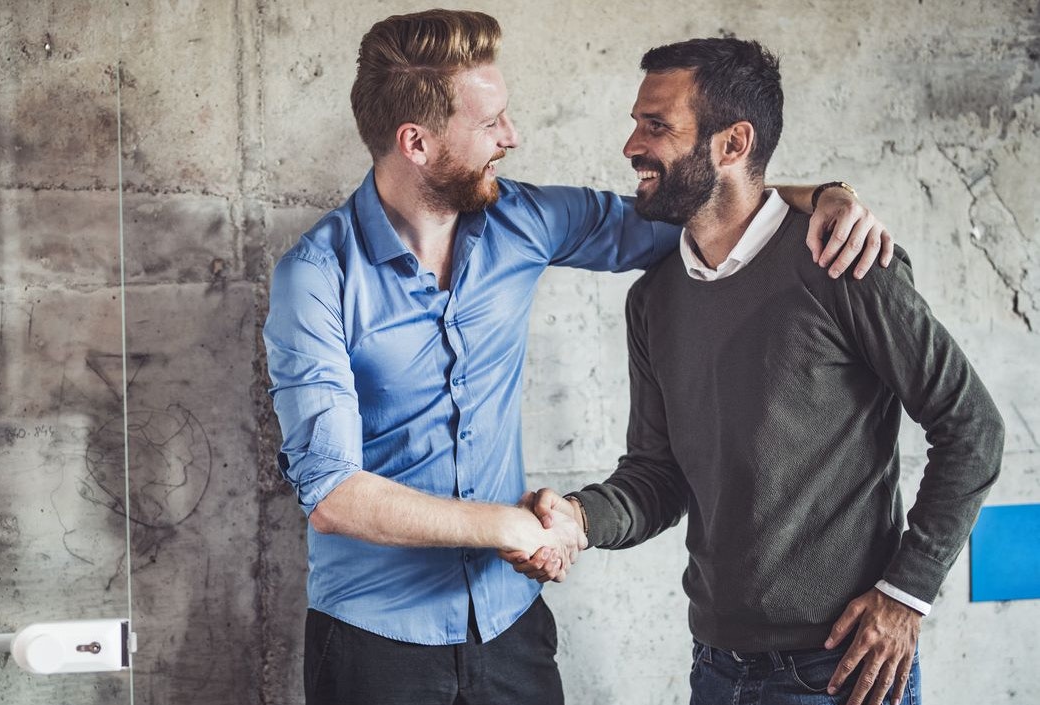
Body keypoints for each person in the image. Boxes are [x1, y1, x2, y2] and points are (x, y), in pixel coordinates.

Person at [264, 11, 893, 705]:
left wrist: (825, 195)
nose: (512, 136)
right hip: (372, 641)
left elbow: (701, 211)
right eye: (490, 123)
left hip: (510, 623)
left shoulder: (522, 220)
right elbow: (331, 492)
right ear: (416, 141)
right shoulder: (316, 277)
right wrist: (512, 525)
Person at [506, 37, 1004, 705]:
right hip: (716, 666)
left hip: (839, 672)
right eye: (636, 122)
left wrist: (905, 594)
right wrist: (577, 518)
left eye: (656, 125)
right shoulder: (653, 299)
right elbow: (657, 476)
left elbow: (972, 426)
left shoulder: (842, 261)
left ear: (732, 144)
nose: (631, 145)